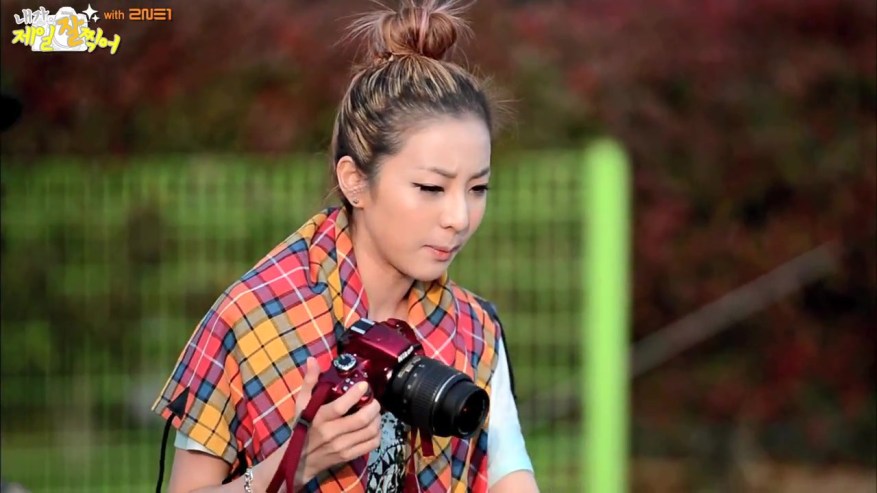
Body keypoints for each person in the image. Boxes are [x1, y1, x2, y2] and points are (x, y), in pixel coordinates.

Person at [151, 1, 539, 491]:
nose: (459, 217)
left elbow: (511, 478)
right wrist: (296, 462)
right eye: (430, 188)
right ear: (355, 181)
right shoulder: (255, 318)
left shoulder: (472, 330)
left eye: (478, 188)